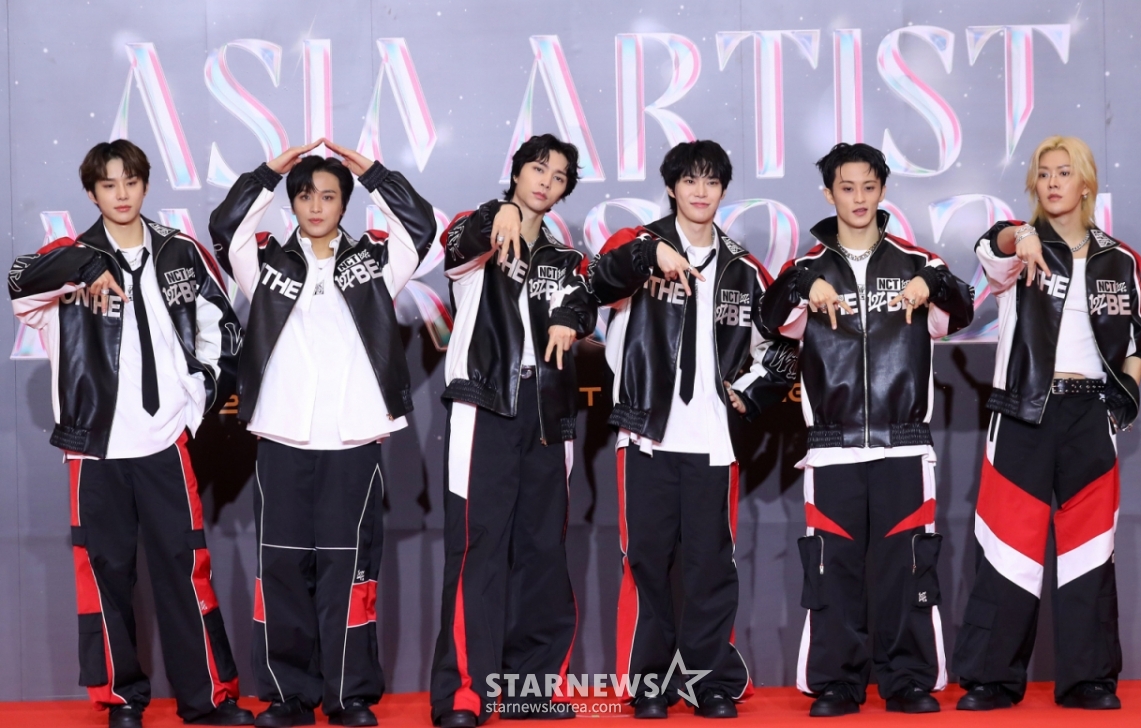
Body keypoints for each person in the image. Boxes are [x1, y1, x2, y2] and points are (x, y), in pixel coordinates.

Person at [7, 140, 250, 728]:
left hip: (166, 441)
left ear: (145, 184)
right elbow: (19, 283)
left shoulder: (179, 251)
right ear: (91, 193)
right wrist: (86, 267)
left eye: (131, 182)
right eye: (108, 184)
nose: (121, 194)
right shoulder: (68, 259)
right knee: (105, 575)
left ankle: (207, 698)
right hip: (95, 448)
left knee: (186, 571)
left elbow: (223, 329)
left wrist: (196, 399)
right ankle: (122, 700)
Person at [209, 139, 437, 727]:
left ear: (344, 203)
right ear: (292, 202)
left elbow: (420, 228)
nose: (316, 206)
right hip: (282, 438)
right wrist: (268, 172)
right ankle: (288, 696)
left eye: (329, 196)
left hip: (353, 440)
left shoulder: (374, 263)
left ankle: (348, 694)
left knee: (349, 571)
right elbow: (226, 227)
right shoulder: (264, 262)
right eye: (306, 195)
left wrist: (375, 173)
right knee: (282, 569)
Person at [758, 142, 974, 717]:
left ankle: (909, 680)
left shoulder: (917, 262)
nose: (858, 198)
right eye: (846, 187)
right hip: (832, 448)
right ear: (828, 193)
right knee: (831, 569)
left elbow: (961, 312)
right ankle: (836, 682)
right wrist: (802, 287)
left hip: (905, 443)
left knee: (909, 566)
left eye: (869, 187)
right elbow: (769, 319)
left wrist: (935, 286)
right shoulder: (806, 267)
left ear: (883, 190)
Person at [588, 140, 797, 720]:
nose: (700, 191)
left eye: (711, 181)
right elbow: (596, 284)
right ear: (671, 187)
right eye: (689, 180)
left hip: (713, 440)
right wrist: (647, 256)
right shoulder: (637, 245)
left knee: (710, 566)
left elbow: (783, 346)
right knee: (646, 562)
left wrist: (750, 392)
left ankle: (709, 683)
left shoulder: (743, 268)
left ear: (723, 190)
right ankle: (649, 684)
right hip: (646, 435)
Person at [951, 136, 1141, 712]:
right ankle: (992, 679)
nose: (1053, 182)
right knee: (1006, 548)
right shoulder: (1019, 249)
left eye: (1064, 172)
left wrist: (1128, 388)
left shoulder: (1121, 260)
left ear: (1086, 184)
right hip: (1022, 411)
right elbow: (989, 245)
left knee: (1090, 549)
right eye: (1043, 173)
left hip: (1090, 414)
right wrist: (1020, 235)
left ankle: (1089, 679)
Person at [428, 133, 596, 728]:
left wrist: (569, 320)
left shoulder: (565, 258)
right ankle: (464, 694)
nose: (546, 181)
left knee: (542, 550)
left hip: (548, 412)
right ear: (517, 172)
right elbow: (456, 246)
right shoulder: (476, 231)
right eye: (538, 169)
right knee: (478, 546)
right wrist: (494, 216)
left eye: (559, 176)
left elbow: (584, 301)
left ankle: (530, 689)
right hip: (486, 403)